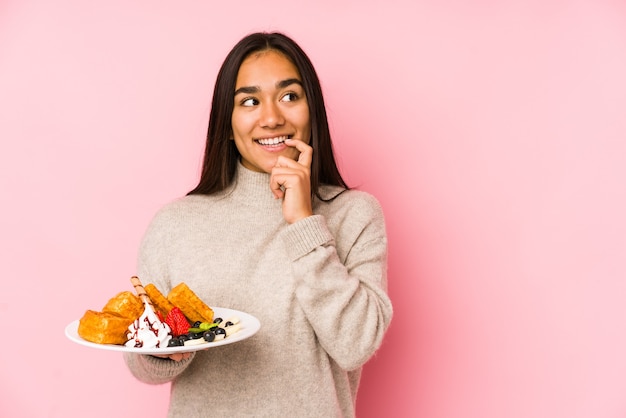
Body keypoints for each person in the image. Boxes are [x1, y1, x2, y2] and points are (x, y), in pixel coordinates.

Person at [124, 31, 393, 417]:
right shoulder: (174, 225)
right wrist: (167, 349)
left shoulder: (355, 215)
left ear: (311, 109)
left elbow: (355, 344)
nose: (271, 118)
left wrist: (303, 222)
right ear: (227, 122)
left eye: (289, 96)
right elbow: (142, 364)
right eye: (249, 101)